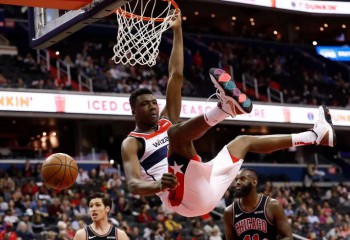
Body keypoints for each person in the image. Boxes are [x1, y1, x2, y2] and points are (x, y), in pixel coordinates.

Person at [121, 15, 336, 216]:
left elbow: (176, 75)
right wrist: (158, 185)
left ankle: (316, 136)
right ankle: (224, 109)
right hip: (181, 197)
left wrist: (178, 31)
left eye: (153, 102)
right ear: (134, 111)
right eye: (144, 105)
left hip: (205, 182)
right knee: (176, 133)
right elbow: (132, 185)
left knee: (243, 142)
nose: (152, 107)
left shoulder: (165, 118)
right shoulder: (132, 142)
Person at [223, 168, 293, 240]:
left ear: (254, 182)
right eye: (236, 179)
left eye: (242, 179)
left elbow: (288, 237)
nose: (237, 182)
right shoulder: (229, 212)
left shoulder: (273, 205)